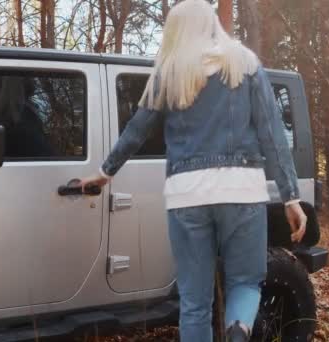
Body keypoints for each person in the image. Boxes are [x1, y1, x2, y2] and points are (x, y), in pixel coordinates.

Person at [79, 1, 307, 341]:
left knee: (194, 301)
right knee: (244, 282)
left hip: (187, 196)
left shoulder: (169, 71)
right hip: (241, 191)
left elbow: (136, 131)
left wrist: (104, 172)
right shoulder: (245, 63)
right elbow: (272, 135)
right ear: (212, 23)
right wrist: (290, 197)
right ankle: (238, 329)